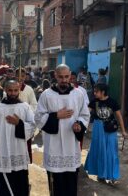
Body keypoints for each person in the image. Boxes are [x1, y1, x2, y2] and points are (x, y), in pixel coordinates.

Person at [35, 64, 90, 196]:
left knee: (71, 185)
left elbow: (85, 115)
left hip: (71, 145)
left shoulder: (78, 94)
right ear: (55, 76)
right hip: (53, 146)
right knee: (56, 187)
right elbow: (38, 118)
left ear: (70, 75)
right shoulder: (46, 95)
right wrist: (55, 116)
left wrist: (79, 124)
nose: (64, 80)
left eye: (67, 77)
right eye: (61, 77)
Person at [84, 83, 128, 185]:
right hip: (98, 129)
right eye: (94, 91)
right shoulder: (94, 102)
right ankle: (101, 175)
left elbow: (119, 116)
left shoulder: (112, 102)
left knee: (111, 152)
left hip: (110, 129)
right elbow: (85, 114)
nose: (94, 93)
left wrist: (123, 130)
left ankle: (113, 176)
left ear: (103, 92)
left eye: (96, 91)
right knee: (99, 151)